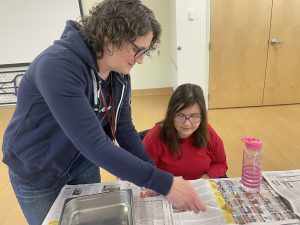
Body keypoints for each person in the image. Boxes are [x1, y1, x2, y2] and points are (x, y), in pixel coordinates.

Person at [1, 1, 205, 224]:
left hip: (82, 161)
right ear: (110, 38)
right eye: (138, 50)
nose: (141, 59)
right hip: (38, 167)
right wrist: (165, 183)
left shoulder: (119, 71)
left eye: (145, 51)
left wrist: (153, 175)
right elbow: (95, 145)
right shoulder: (57, 66)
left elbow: (125, 129)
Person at [143, 83, 228, 180]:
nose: (187, 124)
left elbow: (221, 164)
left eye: (194, 116)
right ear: (171, 114)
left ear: (202, 116)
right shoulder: (155, 136)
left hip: (200, 187)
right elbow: (145, 172)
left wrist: (203, 179)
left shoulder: (208, 132)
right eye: (180, 115)